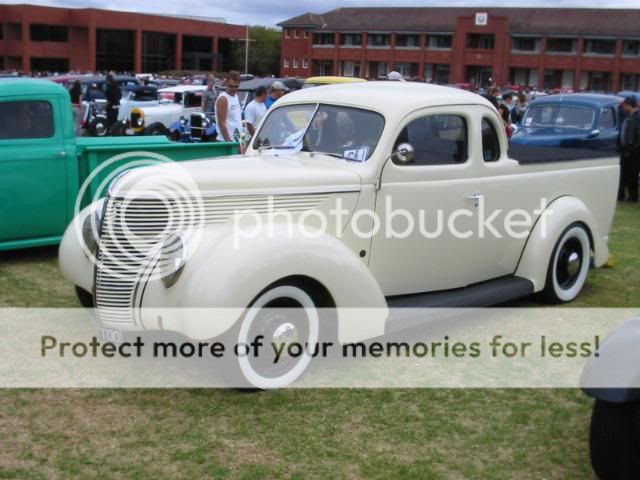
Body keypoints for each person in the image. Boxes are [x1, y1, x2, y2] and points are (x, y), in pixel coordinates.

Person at [619, 95, 640, 202]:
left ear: (629, 105)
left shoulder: (637, 117)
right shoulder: (630, 116)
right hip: (627, 150)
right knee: (626, 173)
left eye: (625, 106)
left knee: (633, 173)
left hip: (634, 152)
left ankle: (633, 196)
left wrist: (633, 149)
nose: (623, 108)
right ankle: (626, 195)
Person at [215, 70, 243, 142]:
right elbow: (221, 123)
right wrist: (229, 142)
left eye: (236, 86)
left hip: (237, 140)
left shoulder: (235, 96)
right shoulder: (223, 99)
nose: (233, 89)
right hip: (226, 141)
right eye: (230, 86)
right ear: (226, 83)